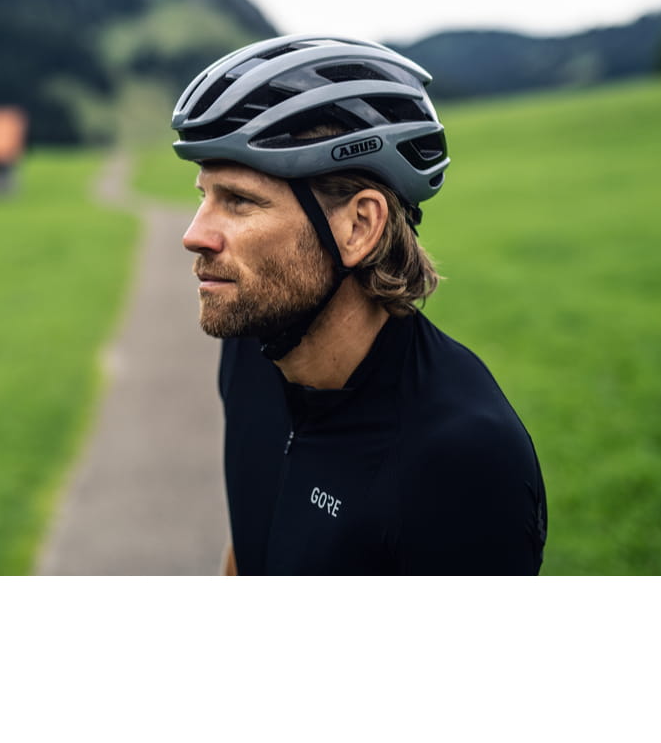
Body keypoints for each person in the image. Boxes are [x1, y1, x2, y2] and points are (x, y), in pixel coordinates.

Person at [172, 34, 547, 575]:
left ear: (358, 226)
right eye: (204, 196)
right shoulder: (252, 350)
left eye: (239, 201)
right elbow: (252, 536)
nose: (194, 235)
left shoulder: (465, 461)